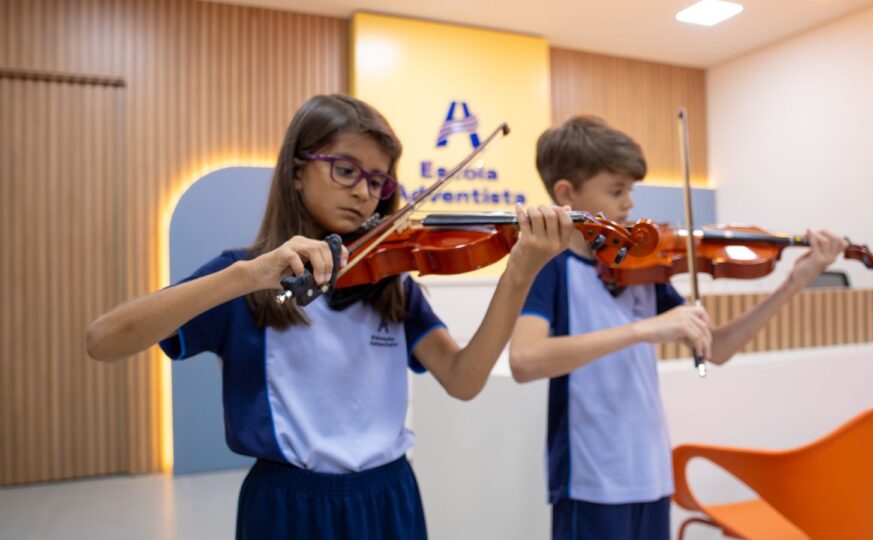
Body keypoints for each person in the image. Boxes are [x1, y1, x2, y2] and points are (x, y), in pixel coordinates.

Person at [86, 94, 574, 539]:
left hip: (388, 497)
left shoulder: (394, 285)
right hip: (287, 506)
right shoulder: (246, 278)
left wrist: (519, 275)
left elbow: (464, 380)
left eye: (379, 179)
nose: (365, 192)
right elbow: (103, 340)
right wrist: (245, 277)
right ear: (297, 171)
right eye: (346, 169)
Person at [509, 115, 846, 540]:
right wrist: (644, 330)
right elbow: (525, 360)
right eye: (616, 191)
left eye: (630, 190)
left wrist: (794, 282)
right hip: (590, 481)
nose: (629, 204)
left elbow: (717, 349)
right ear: (566, 193)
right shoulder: (549, 267)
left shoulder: (643, 268)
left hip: (651, 474)